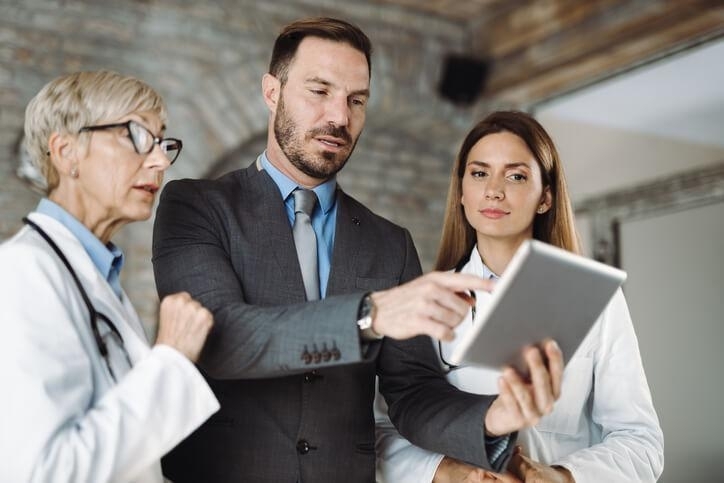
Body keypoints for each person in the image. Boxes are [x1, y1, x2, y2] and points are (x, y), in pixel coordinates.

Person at [152, 17, 565, 483]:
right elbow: (221, 337)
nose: (339, 117)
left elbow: (412, 391)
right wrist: (369, 316)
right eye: (319, 91)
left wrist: (491, 418)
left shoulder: (390, 243)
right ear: (272, 92)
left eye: (356, 100)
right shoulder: (194, 205)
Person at [375, 110, 665, 482]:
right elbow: (381, 428)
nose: (494, 189)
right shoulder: (424, 299)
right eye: (480, 173)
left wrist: (561, 477)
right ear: (462, 192)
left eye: (516, 176)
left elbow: (640, 440)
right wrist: (445, 472)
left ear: (545, 197)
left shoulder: (595, 299)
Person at [0, 70, 220, 482]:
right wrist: (171, 359)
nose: (158, 161)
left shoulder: (99, 278)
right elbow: (47, 472)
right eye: (135, 136)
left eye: (161, 142)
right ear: (66, 153)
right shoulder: (21, 273)